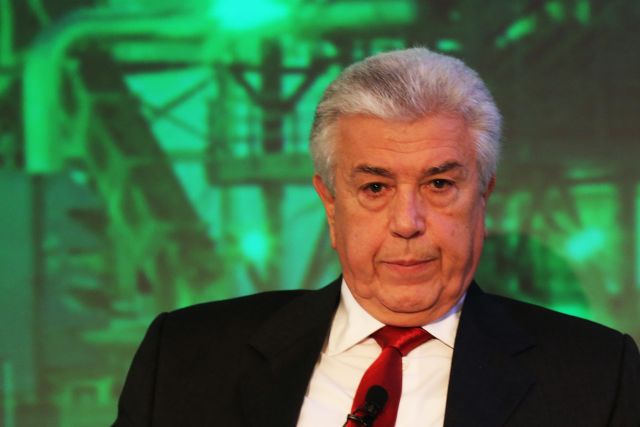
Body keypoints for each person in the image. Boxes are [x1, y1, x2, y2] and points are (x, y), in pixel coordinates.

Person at [113, 48, 640, 427]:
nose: (407, 221)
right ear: (330, 204)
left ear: (483, 196)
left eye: (439, 185)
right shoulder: (183, 356)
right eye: (374, 187)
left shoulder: (596, 377)